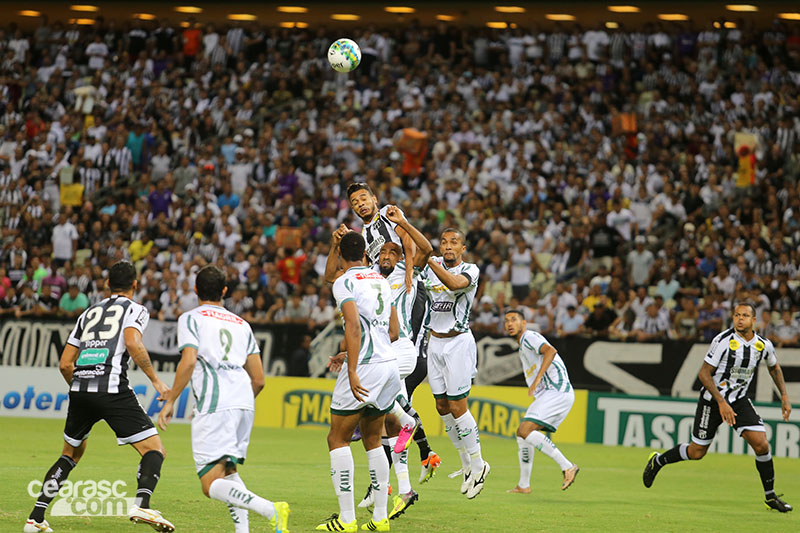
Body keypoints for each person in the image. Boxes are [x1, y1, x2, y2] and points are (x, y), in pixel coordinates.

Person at [24, 261, 174, 533]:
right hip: (113, 387)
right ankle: (142, 503)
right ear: (135, 285)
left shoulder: (88, 313)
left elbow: (65, 364)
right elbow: (131, 341)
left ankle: (36, 518)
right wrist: (155, 379)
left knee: (69, 455)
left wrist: (80, 387)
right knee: (154, 449)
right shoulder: (136, 309)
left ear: (107, 285)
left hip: (80, 388)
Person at [158, 265, 290, 533]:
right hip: (244, 401)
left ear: (195, 290)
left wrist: (171, 399)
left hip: (216, 402)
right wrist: (239, 402)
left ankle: (270, 509)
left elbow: (189, 360)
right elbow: (260, 379)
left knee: (209, 484)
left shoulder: (191, 318)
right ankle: (242, 531)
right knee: (227, 471)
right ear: (225, 292)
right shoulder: (242, 324)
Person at [643, 303, 793, 513]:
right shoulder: (723, 341)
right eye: (737, 315)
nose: (740, 319)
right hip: (713, 401)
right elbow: (704, 373)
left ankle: (770, 497)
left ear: (753, 320)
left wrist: (785, 397)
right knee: (696, 452)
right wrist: (721, 402)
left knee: (762, 445)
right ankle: (658, 461)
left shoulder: (763, 345)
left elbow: (774, 367)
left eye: (745, 315)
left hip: (739, 400)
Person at [316, 231, 401, 532]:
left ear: (341, 256)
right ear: (366, 254)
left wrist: (352, 368)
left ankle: (347, 519)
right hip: (389, 365)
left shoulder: (344, 282)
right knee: (373, 439)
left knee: (337, 439)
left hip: (365, 367)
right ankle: (380, 518)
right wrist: (352, 351)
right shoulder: (380, 279)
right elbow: (394, 331)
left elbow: (352, 325)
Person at [421, 228, 489, 499]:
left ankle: (479, 464)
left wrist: (429, 260)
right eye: (444, 242)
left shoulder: (471, 270)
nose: (448, 246)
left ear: (463, 248)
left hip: (458, 343)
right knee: (441, 406)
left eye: (454, 243)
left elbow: (454, 284)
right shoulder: (430, 266)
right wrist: (402, 223)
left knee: (459, 408)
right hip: (434, 342)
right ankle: (465, 464)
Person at [504, 310, 580, 493]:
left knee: (524, 430)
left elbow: (550, 351)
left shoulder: (529, 336)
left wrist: (538, 379)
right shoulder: (523, 345)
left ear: (524, 323)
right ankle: (524, 485)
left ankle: (568, 466)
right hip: (551, 393)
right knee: (521, 433)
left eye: (514, 320)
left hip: (557, 390)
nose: (509, 323)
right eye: (506, 321)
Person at [346, 182, 415, 292]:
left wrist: (409, 270)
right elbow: (365, 267)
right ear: (353, 208)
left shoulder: (387, 212)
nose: (360, 204)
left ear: (374, 199)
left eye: (363, 199)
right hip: (382, 286)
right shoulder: (362, 235)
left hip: (401, 276)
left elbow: (407, 236)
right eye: (355, 202)